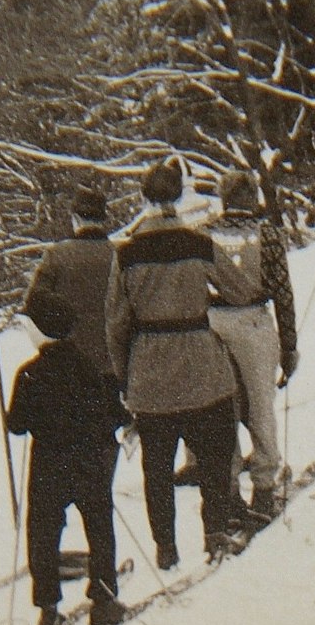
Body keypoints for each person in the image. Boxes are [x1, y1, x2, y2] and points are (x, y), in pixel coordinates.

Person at [107, 158, 262, 569]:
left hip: (149, 369)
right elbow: (242, 289)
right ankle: (214, 533)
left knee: (156, 466)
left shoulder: (126, 254)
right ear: (179, 197)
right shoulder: (198, 243)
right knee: (214, 453)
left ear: (144, 197)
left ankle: (166, 547)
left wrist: (127, 379)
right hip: (200, 366)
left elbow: (116, 324)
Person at [7, 294, 129, 625]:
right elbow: (112, 411)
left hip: (49, 464)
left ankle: (47, 611)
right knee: (99, 525)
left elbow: (16, 425)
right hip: (90, 460)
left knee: (43, 533)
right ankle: (104, 599)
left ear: (40, 332)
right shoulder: (89, 366)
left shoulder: (28, 374)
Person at [205, 170, 299, 516]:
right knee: (261, 406)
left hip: (213, 321)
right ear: (252, 197)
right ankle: (263, 485)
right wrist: (289, 345)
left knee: (222, 409)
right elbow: (283, 292)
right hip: (253, 320)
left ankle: (227, 487)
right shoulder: (268, 234)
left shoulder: (204, 233)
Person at [23, 186, 117, 394]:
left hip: (72, 365)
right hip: (114, 362)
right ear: (103, 219)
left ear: (75, 218)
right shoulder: (119, 255)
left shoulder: (56, 256)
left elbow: (33, 304)